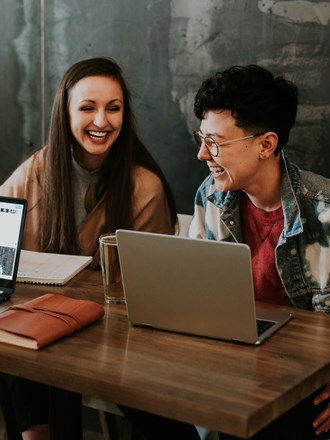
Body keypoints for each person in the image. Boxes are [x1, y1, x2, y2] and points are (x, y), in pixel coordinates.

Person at [120, 65, 330, 439]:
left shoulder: (324, 211)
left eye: (215, 143)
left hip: (297, 382)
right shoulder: (212, 195)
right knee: (133, 390)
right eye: (201, 138)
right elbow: (194, 295)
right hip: (229, 364)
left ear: (266, 144)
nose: (202, 154)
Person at [0, 57, 177, 440]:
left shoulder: (143, 186)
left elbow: (153, 289)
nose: (102, 121)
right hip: (40, 329)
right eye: (87, 108)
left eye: (113, 108)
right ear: (64, 114)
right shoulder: (36, 170)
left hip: (117, 342)